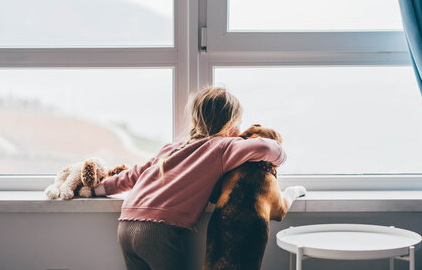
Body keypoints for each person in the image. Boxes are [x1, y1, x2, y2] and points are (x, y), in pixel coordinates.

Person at [94, 87, 287, 270]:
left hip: (126, 224)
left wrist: (100, 189)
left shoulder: (171, 148)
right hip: (159, 231)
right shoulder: (223, 147)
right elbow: (266, 148)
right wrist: (281, 154)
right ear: (230, 125)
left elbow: (134, 174)